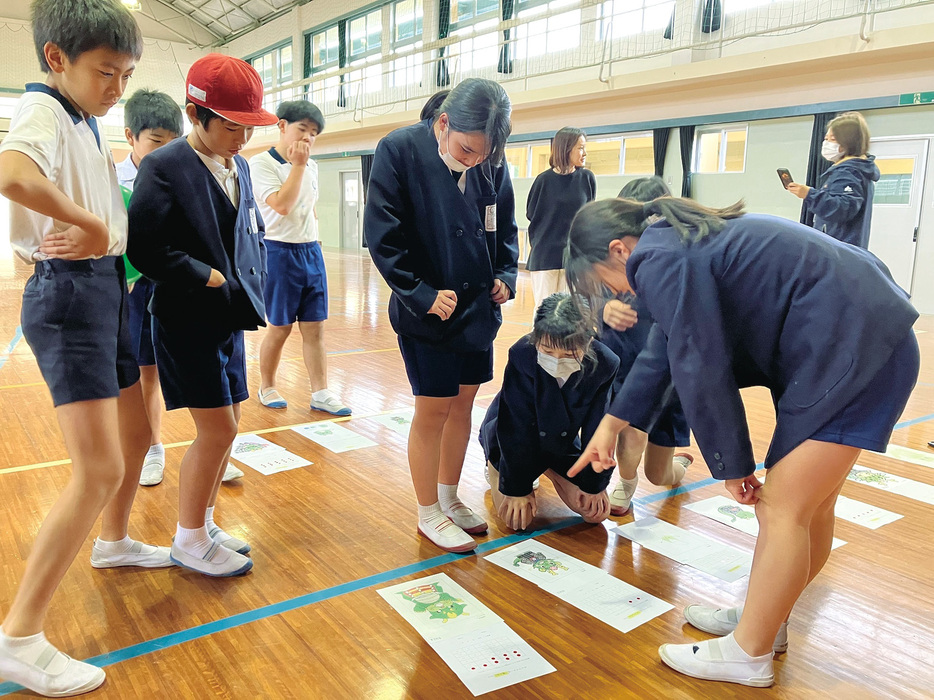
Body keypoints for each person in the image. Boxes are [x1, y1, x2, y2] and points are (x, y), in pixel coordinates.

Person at [565, 196, 918, 687]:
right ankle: (763, 622)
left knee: (782, 509)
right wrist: (613, 423)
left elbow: (698, 360)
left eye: (607, 282)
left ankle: (749, 652)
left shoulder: (658, 255)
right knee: (807, 509)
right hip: (863, 343)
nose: (621, 294)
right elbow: (667, 346)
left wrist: (732, 465)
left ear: (620, 250)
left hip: (851, 350)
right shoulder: (679, 237)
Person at [0, 1, 171, 695]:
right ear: (57, 59)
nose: (117, 88)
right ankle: (18, 637)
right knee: (97, 467)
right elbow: (12, 174)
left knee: (133, 433)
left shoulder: (85, 117)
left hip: (105, 290)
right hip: (71, 295)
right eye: (107, 71)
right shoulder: (40, 105)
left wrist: (109, 240)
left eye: (127, 74)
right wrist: (90, 225)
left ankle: (115, 541)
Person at [128, 54, 277, 577]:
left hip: (229, 317)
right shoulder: (164, 166)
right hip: (186, 319)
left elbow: (246, 233)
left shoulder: (236, 165)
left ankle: (205, 523)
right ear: (197, 114)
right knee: (215, 431)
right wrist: (206, 275)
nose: (241, 139)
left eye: (247, 128)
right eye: (232, 127)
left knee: (229, 426)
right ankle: (187, 537)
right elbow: (145, 248)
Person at [365, 78, 518, 553]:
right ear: (443, 123)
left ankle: (451, 498)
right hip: (427, 311)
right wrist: (420, 292)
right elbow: (382, 235)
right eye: (466, 149)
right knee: (432, 409)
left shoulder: (490, 157)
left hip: (477, 310)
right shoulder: (399, 149)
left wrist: (505, 275)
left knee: (463, 406)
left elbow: (506, 226)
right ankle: (428, 509)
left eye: (482, 154)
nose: (473, 160)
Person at [480, 293, 618, 530]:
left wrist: (595, 485)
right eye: (547, 350)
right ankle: (495, 467)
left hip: (561, 441)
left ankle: (552, 470)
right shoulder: (522, 354)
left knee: (595, 514)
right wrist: (516, 488)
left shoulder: (605, 363)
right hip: (512, 440)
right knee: (515, 521)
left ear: (588, 343)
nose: (556, 361)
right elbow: (515, 424)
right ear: (536, 338)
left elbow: (599, 428)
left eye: (567, 355)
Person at [250, 101, 350, 416]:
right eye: (302, 129)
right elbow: (281, 205)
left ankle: (320, 392)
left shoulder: (312, 165)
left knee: (315, 327)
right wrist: (297, 166)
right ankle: (267, 385)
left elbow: (309, 207)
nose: (307, 138)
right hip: (278, 250)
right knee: (279, 328)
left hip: (310, 251)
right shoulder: (261, 163)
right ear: (282, 126)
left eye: (314, 133)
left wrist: (316, 241)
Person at [603, 176, 692, 515]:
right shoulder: (612, 250)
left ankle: (677, 465)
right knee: (629, 431)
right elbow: (586, 293)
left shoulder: (676, 259)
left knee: (660, 475)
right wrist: (603, 308)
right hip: (623, 364)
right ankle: (625, 483)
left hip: (664, 375)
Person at [117, 88, 184, 486]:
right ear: (131, 137)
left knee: (194, 367)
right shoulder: (113, 181)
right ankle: (153, 448)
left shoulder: (182, 174)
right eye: (155, 142)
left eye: (171, 143)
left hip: (177, 282)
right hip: (135, 289)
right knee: (147, 373)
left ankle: (210, 446)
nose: (163, 152)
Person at [787, 111, 880, 248]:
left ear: (847, 142)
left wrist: (809, 194)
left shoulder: (849, 172)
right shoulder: (854, 170)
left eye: (833, 139)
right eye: (826, 138)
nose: (826, 143)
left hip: (838, 250)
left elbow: (842, 209)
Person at [526, 127, 595, 309]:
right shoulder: (543, 180)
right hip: (545, 256)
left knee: (570, 313)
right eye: (580, 148)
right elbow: (532, 214)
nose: (584, 153)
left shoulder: (587, 178)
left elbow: (588, 216)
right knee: (544, 313)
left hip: (574, 258)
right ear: (566, 148)